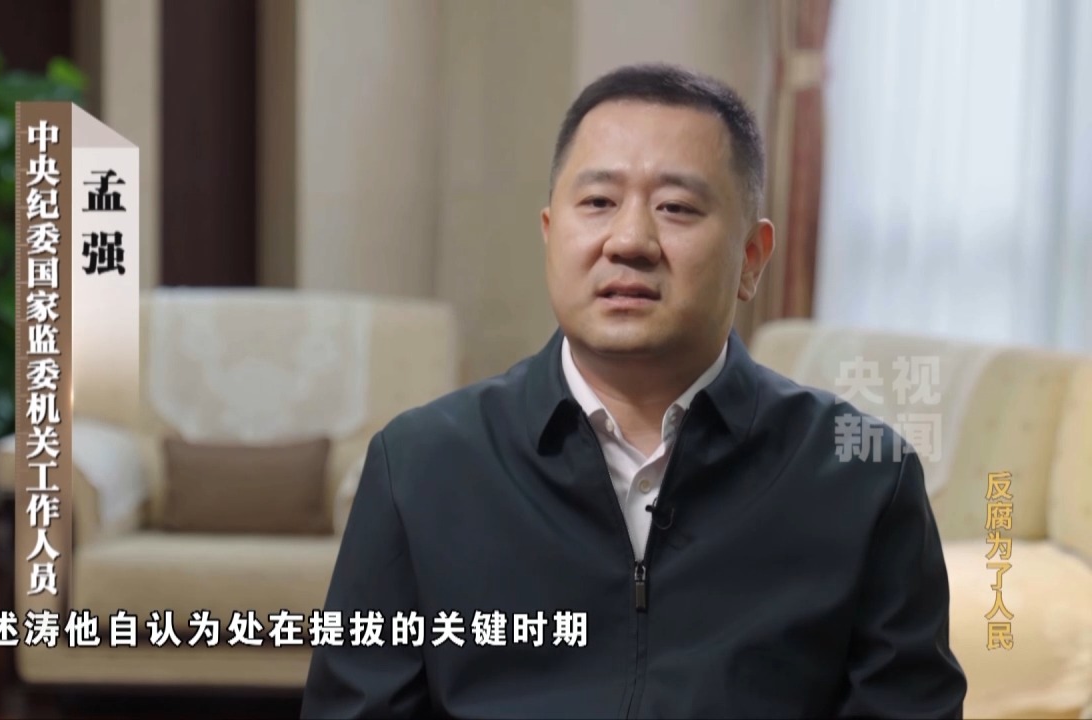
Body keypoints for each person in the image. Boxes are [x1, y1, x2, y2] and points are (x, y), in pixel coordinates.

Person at [301, 63, 967, 719]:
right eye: (598, 203)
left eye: (676, 208)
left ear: (751, 259)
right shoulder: (420, 466)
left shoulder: (862, 479)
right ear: (550, 234)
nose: (629, 241)